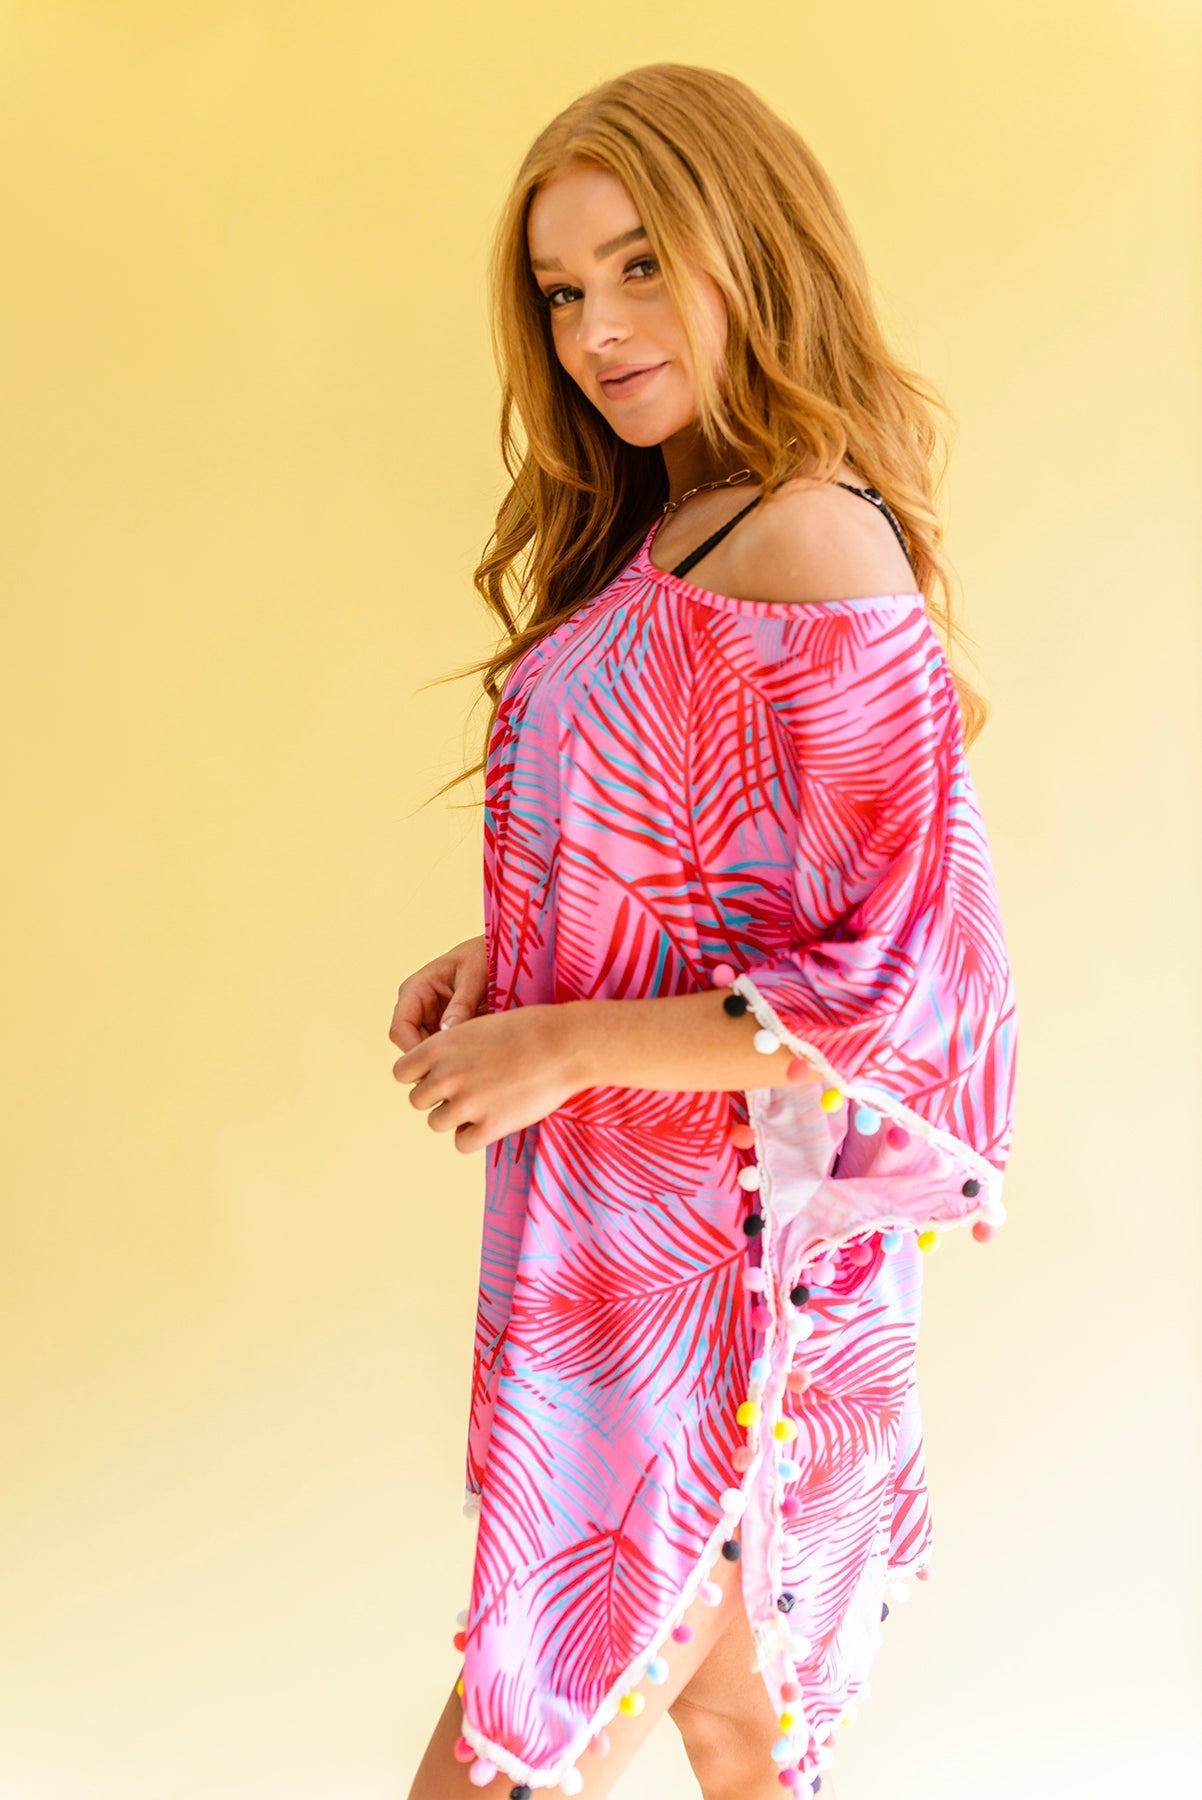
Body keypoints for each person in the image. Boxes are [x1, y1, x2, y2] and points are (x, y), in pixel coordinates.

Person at [390, 62, 1017, 1800]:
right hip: (631, 1263)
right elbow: (710, 885)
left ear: (753, 247)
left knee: (524, 1753)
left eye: (639, 265)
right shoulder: (669, 536)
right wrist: (513, 958)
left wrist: (563, 1041)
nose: (596, 329)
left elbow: (909, 978)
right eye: (560, 292)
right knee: (737, 1733)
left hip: (731, 1290)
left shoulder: (806, 534)